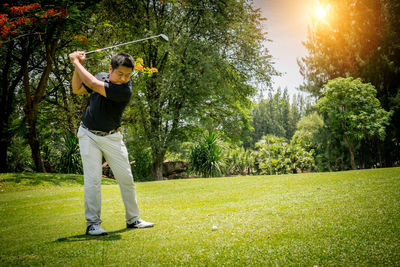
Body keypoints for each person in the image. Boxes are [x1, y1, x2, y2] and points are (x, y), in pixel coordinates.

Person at [69, 51, 154, 236]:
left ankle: (134, 219)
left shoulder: (124, 91)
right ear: (110, 69)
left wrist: (76, 61)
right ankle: (93, 224)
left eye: (128, 75)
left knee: (126, 179)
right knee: (92, 180)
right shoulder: (100, 77)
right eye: (120, 74)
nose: (124, 78)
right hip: (88, 134)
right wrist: (77, 66)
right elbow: (77, 89)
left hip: (112, 137)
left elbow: (91, 83)